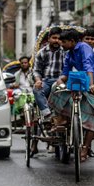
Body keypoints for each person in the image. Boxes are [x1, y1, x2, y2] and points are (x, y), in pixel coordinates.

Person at [50, 29, 94, 162]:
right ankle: (62, 117)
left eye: (63, 42)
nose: (61, 44)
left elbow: (88, 66)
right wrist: (60, 81)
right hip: (80, 81)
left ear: (72, 41)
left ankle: (86, 147)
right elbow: (66, 71)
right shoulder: (69, 53)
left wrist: (91, 84)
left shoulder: (84, 48)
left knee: (92, 114)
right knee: (55, 88)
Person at [32, 27, 64, 155]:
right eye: (54, 38)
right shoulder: (42, 52)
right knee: (37, 89)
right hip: (46, 80)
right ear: (49, 39)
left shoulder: (65, 52)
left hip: (61, 81)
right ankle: (47, 115)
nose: (57, 41)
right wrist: (38, 80)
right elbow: (36, 70)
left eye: (59, 38)